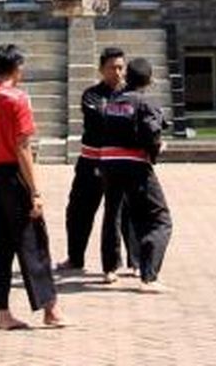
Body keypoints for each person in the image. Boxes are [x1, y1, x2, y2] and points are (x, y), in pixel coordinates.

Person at [0, 44, 67, 330]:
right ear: (17, 68)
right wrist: (35, 191)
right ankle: (51, 310)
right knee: (33, 241)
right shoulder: (18, 99)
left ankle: (3, 313)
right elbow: (23, 146)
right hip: (15, 175)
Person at [56, 47, 139, 280]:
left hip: (121, 164)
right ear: (101, 69)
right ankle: (75, 258)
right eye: (112, 67)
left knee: (126, 213)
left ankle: (136, 262)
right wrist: (125, 114)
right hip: (91, 162)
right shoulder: (91, 94)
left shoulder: (131, 93)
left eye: (121, 67)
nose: (117, 72)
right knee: (78, 211)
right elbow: (99, 118)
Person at [99, 57, 173, 293]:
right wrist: (156, 149)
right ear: (150, 80)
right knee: (160, 219)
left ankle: (121, 265)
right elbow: (152, 133)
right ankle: (149, 276)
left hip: (109, 165)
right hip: (134, 165)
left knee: (118, 213)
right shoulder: (144, 103)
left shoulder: (112, 102)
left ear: (127, 77)